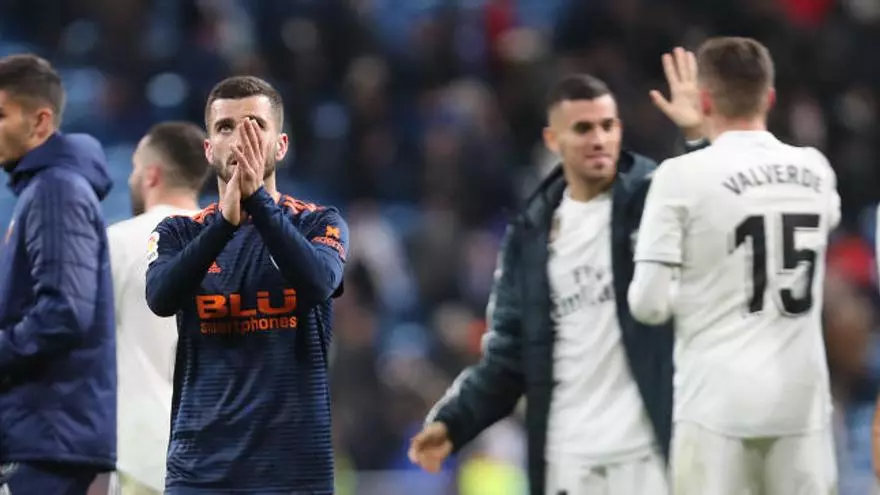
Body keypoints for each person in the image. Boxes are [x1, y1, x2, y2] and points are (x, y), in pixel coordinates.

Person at [408, 48, 706, 495]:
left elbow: (707, 221)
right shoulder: (529, 243)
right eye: (583, 129)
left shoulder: (650, 210)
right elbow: (507, 359)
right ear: (553, 140)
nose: (598, 139)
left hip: (646, 451)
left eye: (607, 126)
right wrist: (454, 421)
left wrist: (698, 140)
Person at [629, 37, 840, 494]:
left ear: (704, 101)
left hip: (715, 406)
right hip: (802, 406)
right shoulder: (817, 170)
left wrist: (704, 286)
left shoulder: (678, 177)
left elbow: (649, 304)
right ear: (770, 97)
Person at [144, 76, 349, 494]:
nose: (240, 139)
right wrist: (224, 223)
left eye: (255, 126)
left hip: (295, 475)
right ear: (208, 150)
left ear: (281, 145)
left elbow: (317, 283)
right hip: (199, 472)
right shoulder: (178, 232)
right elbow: (160, 297)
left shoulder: (317, 223)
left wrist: (258, 202)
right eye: (225, 127)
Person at [0, 54, 116, 493]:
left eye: (0, 115)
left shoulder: (56, 190)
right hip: (46, 430)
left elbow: (64, 312)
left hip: (48, 433)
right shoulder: (44, 188)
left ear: (40, 121)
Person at [107, 122, 211, 494]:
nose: (131, 177)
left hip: (143, 451)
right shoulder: (233, 244)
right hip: (219, 450)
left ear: (151, 175)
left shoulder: (118, 242)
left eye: (135, 168)